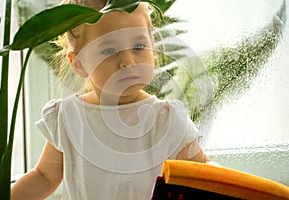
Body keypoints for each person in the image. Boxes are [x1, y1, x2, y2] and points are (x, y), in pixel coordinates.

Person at [11, 1, 210, 199]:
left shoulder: (167, 119)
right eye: (109, 51)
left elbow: (205, 175)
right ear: (79, 64)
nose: (128, 62)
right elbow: (44, 177)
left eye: (139, 46)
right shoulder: (67, 117)